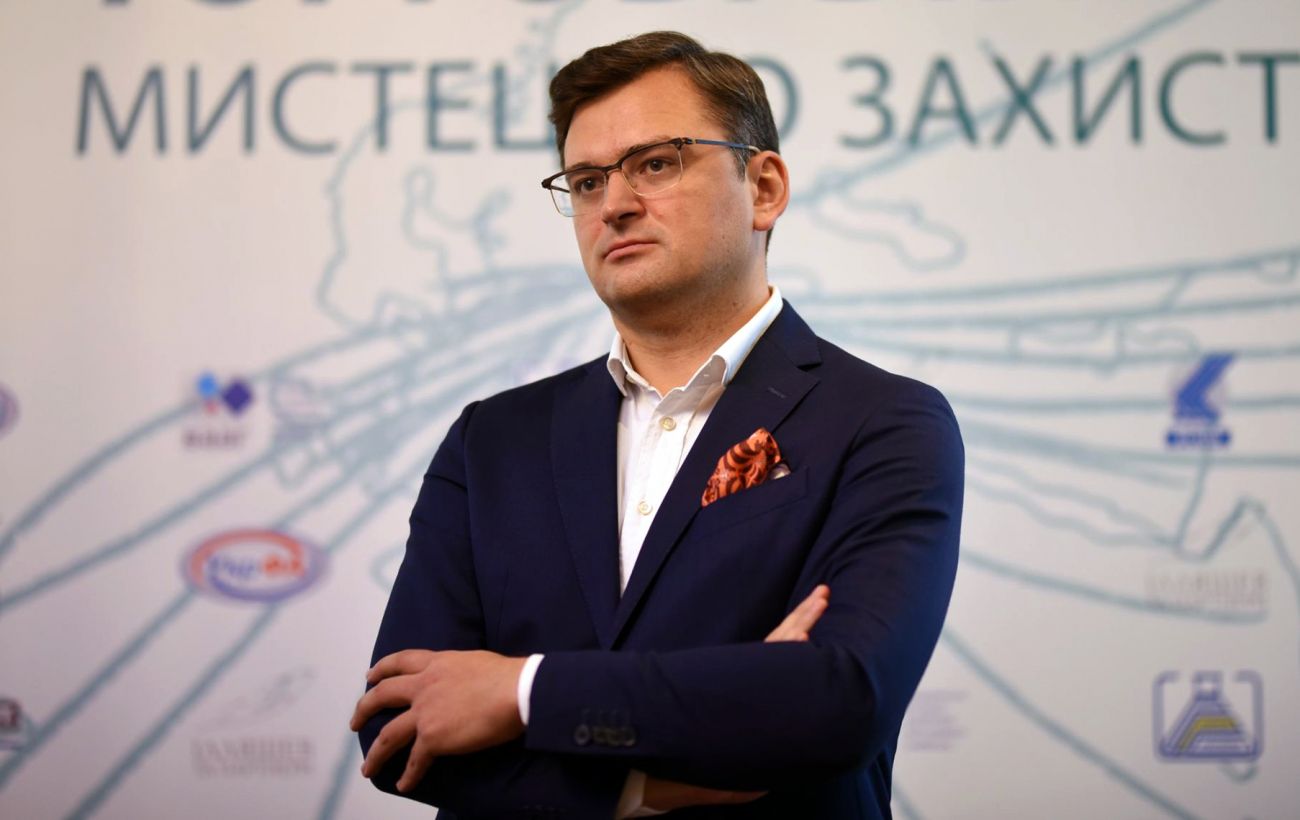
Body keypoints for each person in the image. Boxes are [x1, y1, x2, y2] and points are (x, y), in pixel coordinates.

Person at [350, 31, 963, 819]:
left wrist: (521, 690)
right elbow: (399, 726)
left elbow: (840, 696)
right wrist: (645, 787)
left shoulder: (884, 422)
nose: (614, 204)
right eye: (587, 180)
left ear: (764, 187)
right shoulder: (491, 441)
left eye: (656, 164)